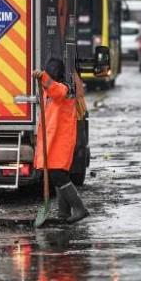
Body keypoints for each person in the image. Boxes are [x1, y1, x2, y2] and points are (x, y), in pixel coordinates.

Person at [33, 58, 88, 223]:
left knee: (58, 175)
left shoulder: (64, 88)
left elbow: (56, 90)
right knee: (59, 175)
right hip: (54, 140)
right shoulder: (51, 91)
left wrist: (42, 77)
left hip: (61, 141)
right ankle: (63, 213)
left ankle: (79, 208)